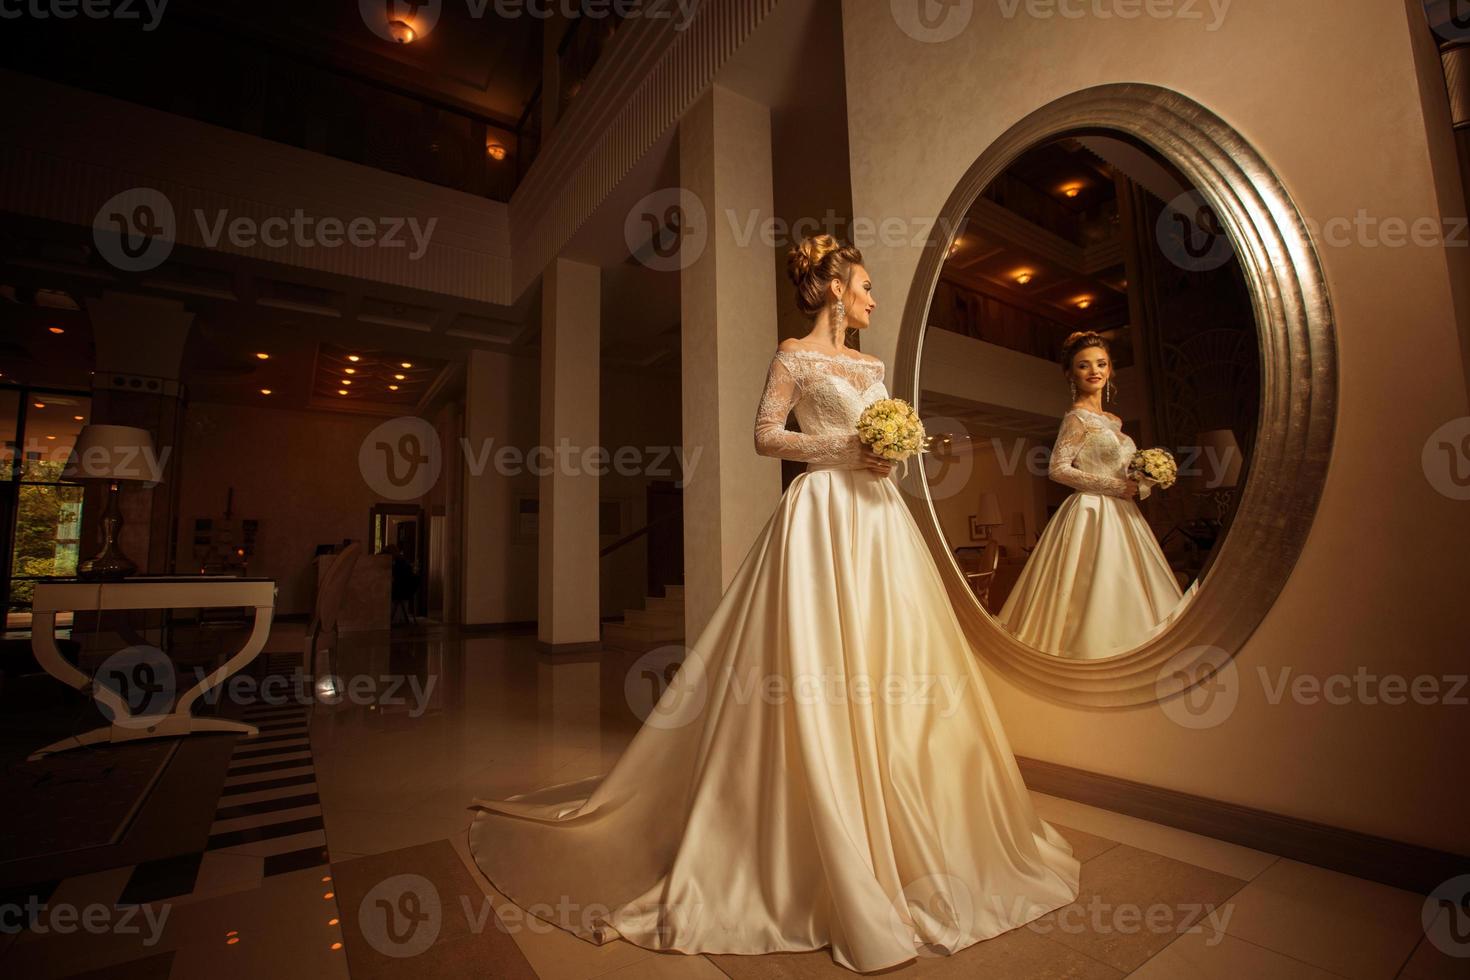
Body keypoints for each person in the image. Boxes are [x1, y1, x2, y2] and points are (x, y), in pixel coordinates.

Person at [467, 235, 1080, 973]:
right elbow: (765, 436)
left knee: (897, 660)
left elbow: (880, 441)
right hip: (820, 516)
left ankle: (913, 820)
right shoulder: (793, 355)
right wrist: (843, 450)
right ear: (831, 289)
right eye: (864, 286)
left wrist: (883, 455)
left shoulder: (873, 365)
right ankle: (806, 827)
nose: (872, 300)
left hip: (880, 524)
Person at [998, 331, 1185, 659]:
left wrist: (1144, 478)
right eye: (1084, 366)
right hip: (1092, 511)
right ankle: (1093, 650)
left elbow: (1120, 469)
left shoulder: (1114, 421)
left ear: (1111, 369)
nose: (1094, 371)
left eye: (1101, 364)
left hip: (1123, 514)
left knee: (1130, 584)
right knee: (1092, 584)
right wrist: (1114, 487)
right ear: (1071, 374)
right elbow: (1058, 469)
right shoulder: (1076, 418)